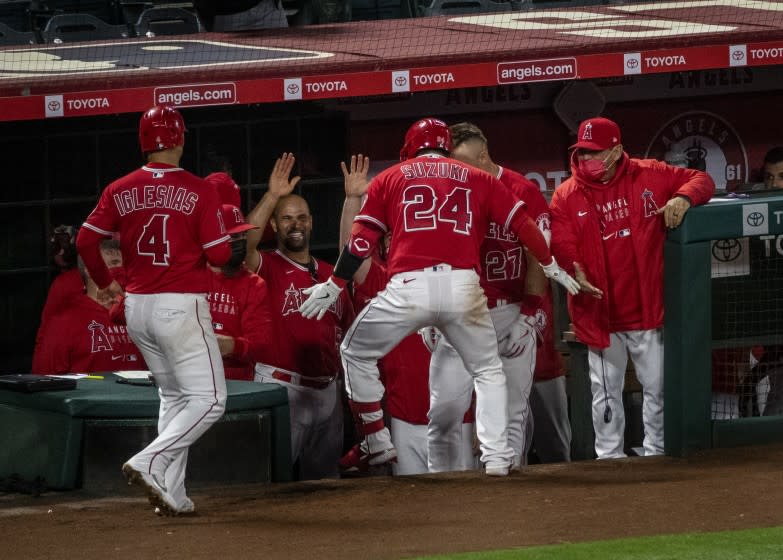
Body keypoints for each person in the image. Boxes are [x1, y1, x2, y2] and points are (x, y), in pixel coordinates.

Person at [298, 118, 580, 477]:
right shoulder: (477, 177)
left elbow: (362, 240)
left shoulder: (392, 176)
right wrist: (550, 263)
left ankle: (375, 439)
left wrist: (335, 283)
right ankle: (496, 459)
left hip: (409, 286)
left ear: (411, 147)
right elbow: (523, 225)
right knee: (489, 372)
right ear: (447, 147)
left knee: (355, 351)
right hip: (465, 286)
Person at [76, 104, 232, 516]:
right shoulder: (200, 189)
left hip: (137, 307)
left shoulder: (119, 188)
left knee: (175, 396)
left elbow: (85, 242)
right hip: (180, 305)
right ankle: (150, 459)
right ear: (180, 139)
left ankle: (171, 492)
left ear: (144, 143)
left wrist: (109, 287)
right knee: (212, 400)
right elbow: (221, 253)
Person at [549, 116, 715, 459]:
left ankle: (658, 453)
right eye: (582, 153)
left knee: (658, 388)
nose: (587, 161)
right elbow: (563, 245)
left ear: (617, 151)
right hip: (600, 313)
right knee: (605, 394)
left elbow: (702, 179)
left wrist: (683, 198)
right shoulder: (566, 194)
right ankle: (610, 458)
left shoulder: (650, 173)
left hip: (646, 310)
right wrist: (574, 270)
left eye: (595, 153)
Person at [338, 155, 476, 475]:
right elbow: (352, 254)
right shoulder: (383, 279)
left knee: (468, 509)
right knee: (414, 509)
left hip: (459, 419)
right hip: (406, 418)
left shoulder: (461, 278)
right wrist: (352, 200)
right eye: (388, 237)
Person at [424, 122, 550, 472]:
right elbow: (435, 251)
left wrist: (530, 313)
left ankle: (508, 501)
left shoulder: (522, 190)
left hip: (510, 311)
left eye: (463, 161)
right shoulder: (450, 191)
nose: (456, 169)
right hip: (461, 313)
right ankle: (442, 491)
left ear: (484, 155)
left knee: (511, 415)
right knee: (445, 412)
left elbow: (538, 252)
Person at [244, 153, 355, 481]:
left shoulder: (330, 274)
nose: (297, 224)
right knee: (269, 479)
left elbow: (347, 335)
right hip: (281, 386)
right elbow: (242, 246)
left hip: (327, 392)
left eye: (302, 217)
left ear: (311, 221)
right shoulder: (267, 265)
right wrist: (272, 196)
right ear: (275, 225)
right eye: (288, 218)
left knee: (324, 483)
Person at [32, 239, 144, 375]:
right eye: (114, 263)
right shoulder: (64, 323)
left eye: (125, 265)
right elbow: (45, 379)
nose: (121, 270)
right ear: (91, 270)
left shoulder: (142, 312)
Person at [207, 204, 273, 381]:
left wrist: (232, 346)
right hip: (193, 376)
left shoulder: (254, 284)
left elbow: (261, 345)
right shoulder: (192, 276)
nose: (240, 242)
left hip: (237, 381)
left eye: (243, 235)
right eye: (233, 236)